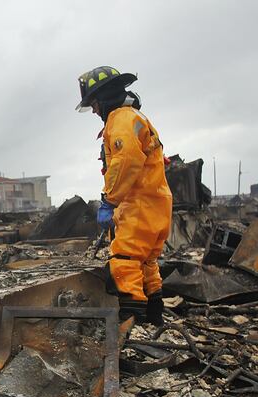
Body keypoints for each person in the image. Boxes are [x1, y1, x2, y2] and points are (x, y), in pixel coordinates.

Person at [75, 66, 172, 326]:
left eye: (94, 104)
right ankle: (155, 320)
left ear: (104, 98)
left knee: (125, 261)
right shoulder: (137, 118)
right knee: (147, 263)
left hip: (138, 205)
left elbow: (126, 160)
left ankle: (133, 324)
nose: (94, 111)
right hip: (156, 204)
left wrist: (110, 200)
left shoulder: (120, 120)